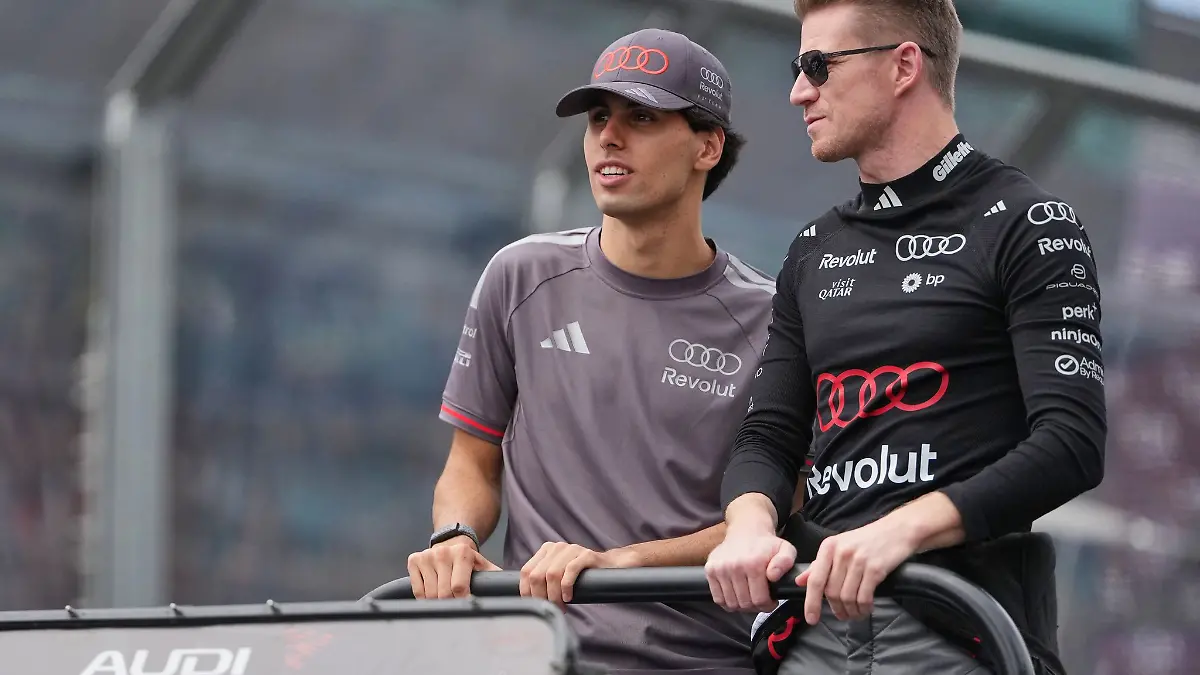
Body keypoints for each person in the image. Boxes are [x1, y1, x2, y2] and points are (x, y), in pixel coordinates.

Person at [703, 1, 1106, 674]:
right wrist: (747, 529)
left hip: (959, 624)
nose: (800, 90)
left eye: (818, 66)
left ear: (903, 66)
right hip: (808, 628)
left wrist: (900, 531)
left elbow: (1071, 442)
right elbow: (768, 436)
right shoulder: (813, 248)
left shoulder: (1030, 222)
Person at [407, 28, 783, 674]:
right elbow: (471, 461)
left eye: (641, 117)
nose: (609, 137)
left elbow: (771, 523)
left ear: (707, 146)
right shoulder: (519, 275)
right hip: (535, 650)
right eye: (599, 118)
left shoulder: (771, 320)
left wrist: (619, 563)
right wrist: (455, 534)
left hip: (698, 660)